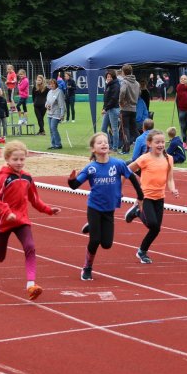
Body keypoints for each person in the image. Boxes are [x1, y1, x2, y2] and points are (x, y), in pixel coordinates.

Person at [0, 140, 61, 301]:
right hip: (3, 222)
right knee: (0, 256)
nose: (19, 162)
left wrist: (48, 210)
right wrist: (6, 212)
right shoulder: (2, 178)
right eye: (15, 159)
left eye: (22, 159)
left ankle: (31, 285)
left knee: (30, 247)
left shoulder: (27, 177)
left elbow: (34, 199)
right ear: (7, 159)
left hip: (21, 220)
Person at [68, 132, 144, 280]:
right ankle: (87, 268)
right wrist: (71, 180)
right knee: (95, 240)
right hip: (94, 207)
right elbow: (75, 186)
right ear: (93, 149)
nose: (104, 144)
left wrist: (140, 196)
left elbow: (132, 178)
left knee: (107, 244)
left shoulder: (118, 164)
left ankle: (92, 226)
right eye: (100, 142)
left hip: (109, 209)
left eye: (106, 142)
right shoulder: (91, 168)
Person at [125, 130, 179, 264]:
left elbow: (170, 179)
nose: (161, 145)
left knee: (156, 229)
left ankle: (142, 251)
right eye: (157, 142)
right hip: (146, 196)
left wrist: (173, 189)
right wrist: (119, 186)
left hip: (160, 197)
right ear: (149, 143)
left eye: (162, 142)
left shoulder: (169, 158)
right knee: (153, 225)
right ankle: (138, 212)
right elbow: (127, 170)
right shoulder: (144, 158)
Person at [118, 64, 140, 154]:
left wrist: (121, 101)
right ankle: (143, 145)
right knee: (134, 129)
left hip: (125, 108)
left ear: (123, 72)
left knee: (125, 129)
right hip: (134, 108)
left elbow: (123, 91)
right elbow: (139, 93)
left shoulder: (125, 82)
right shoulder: (137, 83)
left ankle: (125, 149)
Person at [101, 69, 120, 151]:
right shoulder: (108, 85)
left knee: (114, 129)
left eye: (110, 77)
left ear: (113, 77)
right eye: (107, 77)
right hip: (107, 109)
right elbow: (106, 98)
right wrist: (104, 108)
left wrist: (106, 108)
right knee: (103, 129)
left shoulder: (116, 85)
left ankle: (115, 147)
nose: (108, 78)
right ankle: (109, 145)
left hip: (113, 109)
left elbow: (114, 99)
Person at [45, 78, 65, 150]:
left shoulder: (59, 92)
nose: (51, 85)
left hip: (56, 114)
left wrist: (62, 115)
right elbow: (47, 102)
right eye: (50, 84)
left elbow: (62, 105)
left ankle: (58, 144)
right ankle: (53, 144)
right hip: (49, 113)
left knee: (53, 128)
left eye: (53, 84)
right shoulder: (49, 92)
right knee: (51, 129)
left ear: (56, 84)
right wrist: (46, 105)